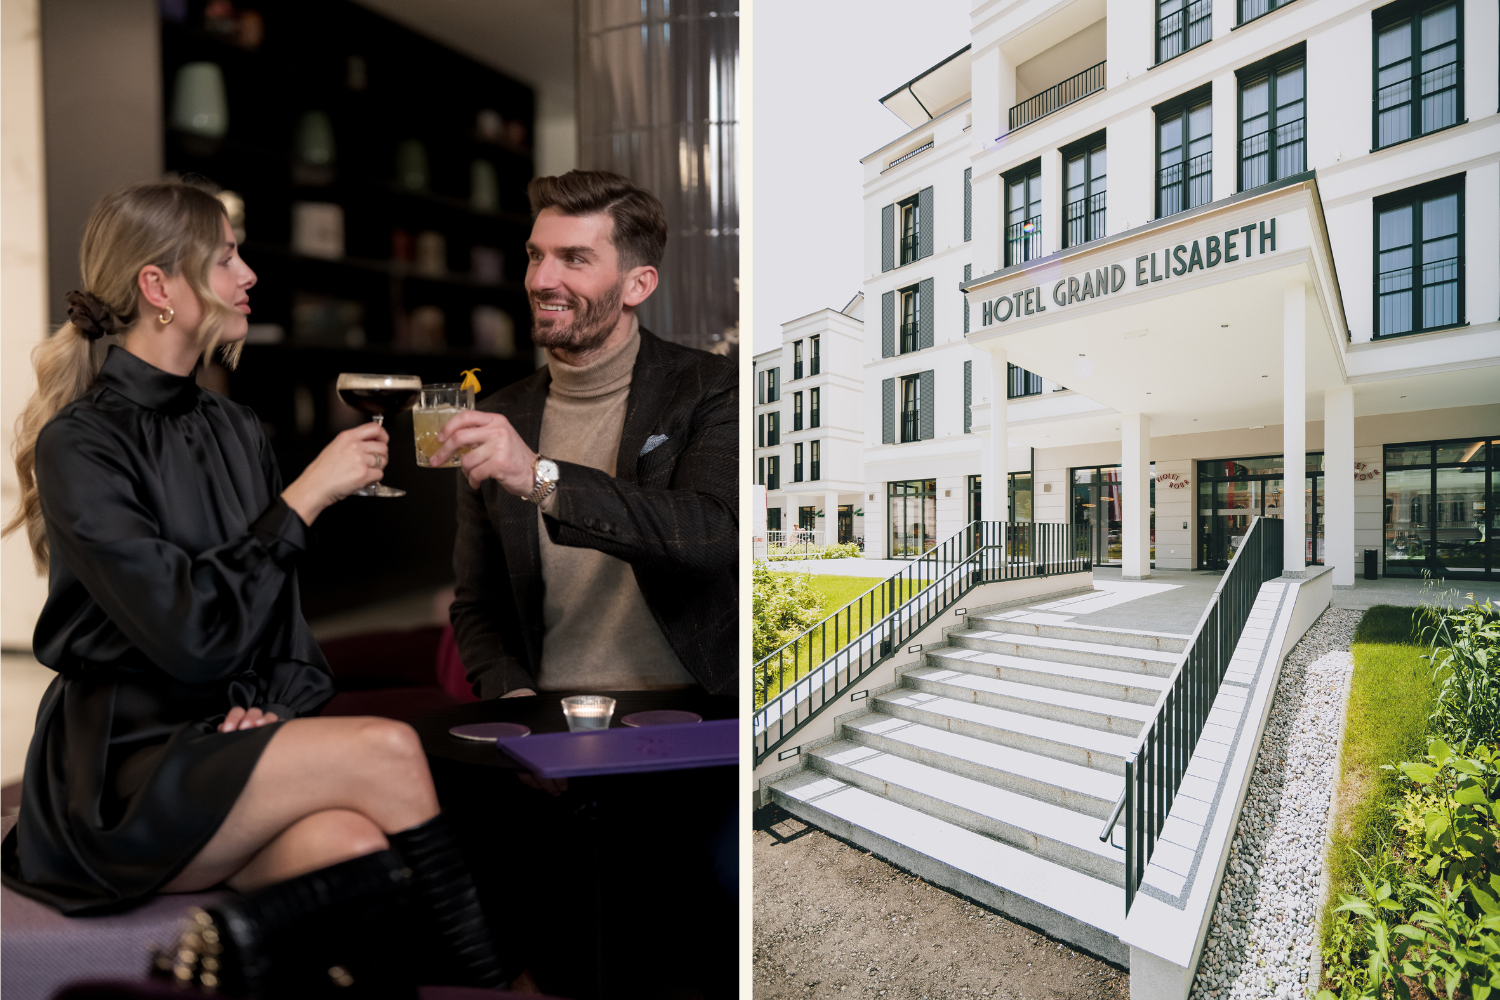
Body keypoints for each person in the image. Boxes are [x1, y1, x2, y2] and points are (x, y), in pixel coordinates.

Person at [0, 181, 504, 987]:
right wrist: (305, 496)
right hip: (123, 778)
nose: (249, 275)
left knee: (352, 846)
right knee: (387, 745)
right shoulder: (80, 445)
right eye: (226, 256)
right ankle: (487, 984)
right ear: (158, 289)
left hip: (223, 744)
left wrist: (276, 706)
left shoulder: (236, 430)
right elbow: (187, 631)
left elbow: (285, 637)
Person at [432, 170, 737, 700]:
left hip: (692, 712)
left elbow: (710, 535)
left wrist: (540, 478)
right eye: (535, 255)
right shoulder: (500, 415)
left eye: (574, 259)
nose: (542, 279)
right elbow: (478, 601)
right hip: (548, 713)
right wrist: (513, 699)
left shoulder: (709, 387)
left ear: (637, 284)